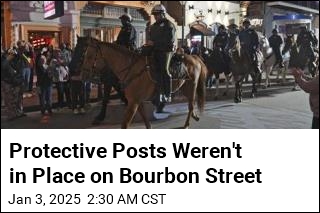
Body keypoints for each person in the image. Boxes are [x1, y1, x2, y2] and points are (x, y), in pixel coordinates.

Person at [148, 4, 176, 103]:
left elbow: (169, 40)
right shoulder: (153, 26)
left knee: (164, 70)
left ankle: (168, 94)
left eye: (157, 14)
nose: (155, 16)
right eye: (154, 15)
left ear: (163, 14)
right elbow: (151, 39)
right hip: (155, 50)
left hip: (166, 51)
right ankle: (156, 92)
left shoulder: (169, 25)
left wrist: (154, 43)